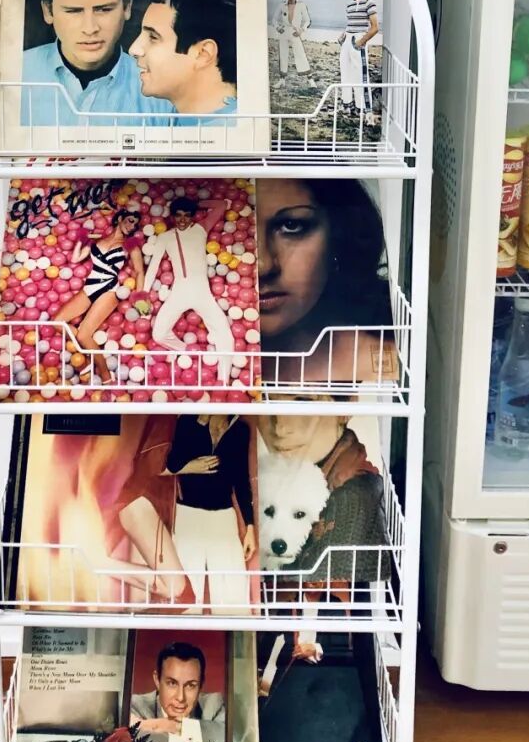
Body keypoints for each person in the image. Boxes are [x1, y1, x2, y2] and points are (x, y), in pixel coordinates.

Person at [255, 179, 398, 387]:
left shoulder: (386, 356)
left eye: (292, 226)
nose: (263, 266)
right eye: (230, 226)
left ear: (339, 235)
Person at [256, 408, 390, 586]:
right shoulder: (270, 474)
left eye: (303, 403)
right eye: (270, 404)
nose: (281, 428)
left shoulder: (351, 496)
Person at [21, 0, 174, 127]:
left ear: (127, 7)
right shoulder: (17, 71)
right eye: (73, 11)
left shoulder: (164, 93)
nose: (90, 29)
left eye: (104, 9)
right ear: (48, 11)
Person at [164, 413, 256, 615]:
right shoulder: (188, 421)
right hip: (189, 514)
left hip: (223, 515)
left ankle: (233, 629)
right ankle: (181, 632)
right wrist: (200, 423)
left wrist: (250, 527)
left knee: (231, 592)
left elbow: (241, 480)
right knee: (186, 592)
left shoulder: (240, 429)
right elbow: (173, 463)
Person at [52, 206, 146, 380]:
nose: (132, 226)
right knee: (57, 322)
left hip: (109, 289)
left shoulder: (130, 246)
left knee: (83, 335)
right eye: (130, 221)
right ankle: (90, 355)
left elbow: (139, 272)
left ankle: (105, 375)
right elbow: (75, 258)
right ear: (120, 218)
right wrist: (82, 238)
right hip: (90, 286)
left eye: (135, 225)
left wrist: (139, 298)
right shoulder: (98, 240)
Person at [142, 195, 236, 361]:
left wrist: (196, 203)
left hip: (202, 294)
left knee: (225, 336)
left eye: (187, 215)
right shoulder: (165, 237)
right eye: (178, 215)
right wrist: (143, 295)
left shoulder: (201, 228)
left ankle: (223, 376)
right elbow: (153, 267)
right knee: (158, 334)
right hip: (179, 293)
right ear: (173, 216)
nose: (182, 220)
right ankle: (192, 353)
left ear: (192, 216)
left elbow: (221, 204)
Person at [128, 0, 237, 120]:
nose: (133, 49)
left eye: (153, 37)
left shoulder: (240, 129)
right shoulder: (175, 121)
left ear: (203, 54)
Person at [130, 641, 227, 742]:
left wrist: (173, 726)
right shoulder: (136, 705)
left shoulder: (213, 705)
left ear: (201, 684)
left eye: (190, 685)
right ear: (157, 680)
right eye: (172, 683)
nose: (181, 697)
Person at [339, 0, 380, 119]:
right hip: (347, 40)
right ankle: (347, 106)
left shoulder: (369, 2)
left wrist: (361, 42)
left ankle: (361, 108)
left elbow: (375, 27)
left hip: (359, 39)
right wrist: (343, 34)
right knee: (345, 71)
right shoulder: (349, 5)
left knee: (359, 75)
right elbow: (351, 23)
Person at [273, 0, 311, 83]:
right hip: (284, 33)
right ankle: (282, 80)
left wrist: (301, 30)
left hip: (295, 33)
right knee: (283, 55)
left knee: (300, 54)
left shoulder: (301, 5)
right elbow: (274, 19)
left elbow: (307, 20)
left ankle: (310, 80)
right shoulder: (282, 5)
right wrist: (278, 28)